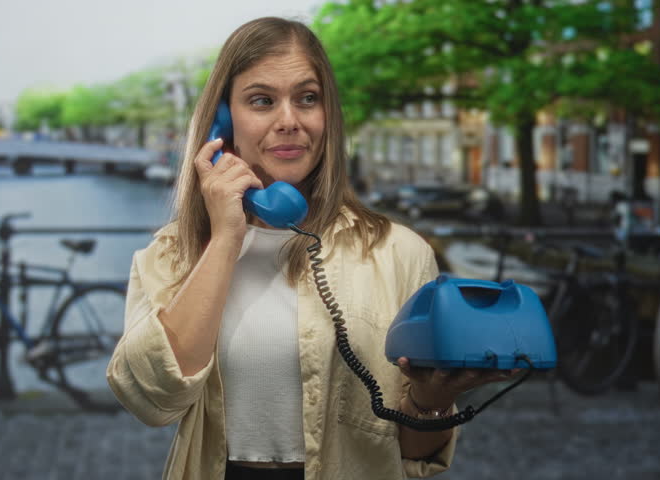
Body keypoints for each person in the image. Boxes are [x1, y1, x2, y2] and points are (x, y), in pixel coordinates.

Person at [107, 17, 512, 480]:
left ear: (327, 115)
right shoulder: (172, 254)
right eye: (262, 101)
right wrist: (224, 240)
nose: (289, 121)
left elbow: (412, 455)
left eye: (307, 98)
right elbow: (149, 399)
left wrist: (435, 400)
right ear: (223, 123)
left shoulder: (400, 253)